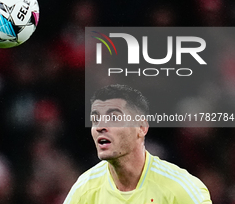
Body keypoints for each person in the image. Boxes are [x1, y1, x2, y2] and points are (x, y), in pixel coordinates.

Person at [63, 84, 212, 204]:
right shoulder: (84, 189)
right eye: (95, 120)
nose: (100, 127)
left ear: (141, 128)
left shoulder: (181, 189)